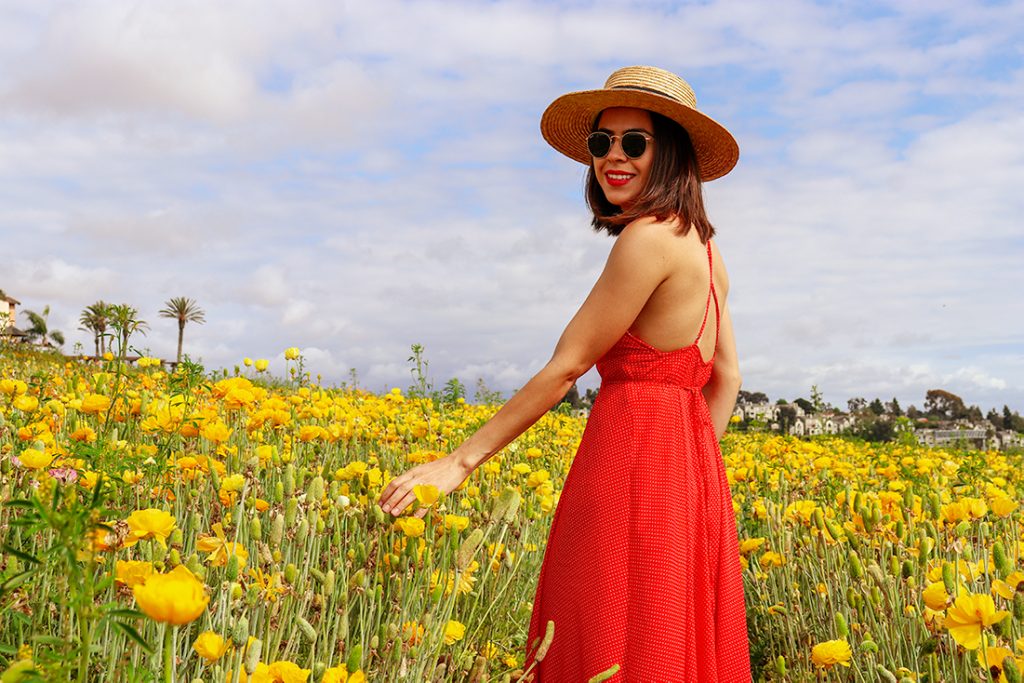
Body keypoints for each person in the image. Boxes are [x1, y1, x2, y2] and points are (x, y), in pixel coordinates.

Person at [377, 65, 750, 682]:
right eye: (602, 143)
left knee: (598, 633)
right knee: (665, 642)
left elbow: (568, 367)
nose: (613, 157)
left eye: (635, 142)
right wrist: (689, 478)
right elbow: (728, 376)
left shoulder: (648, 239)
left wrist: (458, 463)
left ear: (672, 154)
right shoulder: (707, 251)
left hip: (626, 463)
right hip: (689, 475)